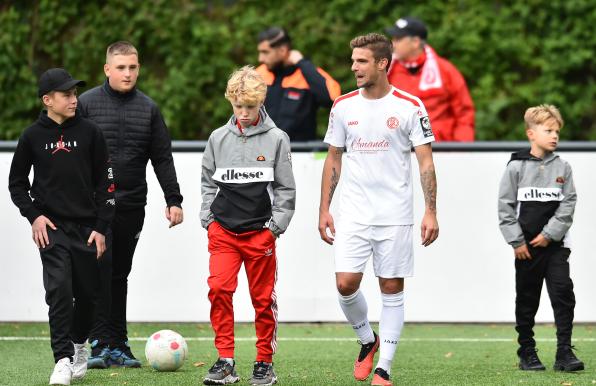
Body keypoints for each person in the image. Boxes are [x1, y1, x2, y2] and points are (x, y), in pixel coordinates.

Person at [318, 33, 439, 386]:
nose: (354, 67)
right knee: (345, 284)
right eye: (353, 60)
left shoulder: (410, 105)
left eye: (361, 61)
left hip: (395, 214)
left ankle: (384, 367)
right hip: (353, 213)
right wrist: (324, 208)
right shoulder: (342, 106)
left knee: (390, 287)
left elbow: (426, 163)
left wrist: (430, 211)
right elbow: (333, 158)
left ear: (383, 63)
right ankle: (367, 340)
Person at [78, 41, 184, 368]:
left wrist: (173, 199)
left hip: (132, 205)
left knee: (119, 274)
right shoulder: (85, 104)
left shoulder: (148, 108)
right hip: (94, 208)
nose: (127, 73)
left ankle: (117, 345)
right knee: (98, 270)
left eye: (133, 67)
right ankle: (97, 343)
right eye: (121, 67)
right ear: (107, 69)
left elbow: (162, 158)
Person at [8, 68, 114, 385]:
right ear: (48, 100)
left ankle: (80, 344)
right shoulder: (31, 136)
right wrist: (34, 216)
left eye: (74, 93)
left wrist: (101, 226)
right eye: (67, 94)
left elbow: (107, 185)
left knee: (88, 295)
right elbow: (16, 184)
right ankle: (63, 360)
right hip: (51, 228)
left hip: (87, 229)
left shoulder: (91, 133)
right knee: (59, 290)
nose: (73, 99)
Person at [200, 66, 296, 386]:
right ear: (231, 102)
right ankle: (226, 360)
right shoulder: (217, 138)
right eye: (238, 106)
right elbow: (207, 183)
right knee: (218, 290)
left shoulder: (277, 139)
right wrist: (208, 220)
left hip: (260, 235)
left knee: (262, 299)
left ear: (261, 103)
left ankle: (264, 363)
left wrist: (274, 228)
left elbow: (285, 189)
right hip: (223, 233)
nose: (243, 113)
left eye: (250, 107)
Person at [498, 104, 584, 372]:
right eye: (548, 130)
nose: (554, 135)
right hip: (526, 250)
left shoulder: (563, 167)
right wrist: (517, 242)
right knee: (527, 299)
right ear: (531, 134)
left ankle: (564, 353)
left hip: (556, 247)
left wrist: (549, 235)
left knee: (563, 294)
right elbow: (505, 208)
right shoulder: (516, 167)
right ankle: (527, 352)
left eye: (557, 131)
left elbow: (568, 204)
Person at [386, 17, 475, 142]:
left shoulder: (446, 70)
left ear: (416, 42)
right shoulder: (386, 72)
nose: (392, 44)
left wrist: (461, 151)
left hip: (441, 152)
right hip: (399, 152)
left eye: (398, 39)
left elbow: (464, 114)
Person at [256, 26, 341, 141]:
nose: (260, 58)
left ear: (282, 50)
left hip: (299, 155)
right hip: (261, 152)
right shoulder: (258, 74)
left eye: (265, 52)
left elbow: (332, 99)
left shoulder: (309, 73)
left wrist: (302, 63)